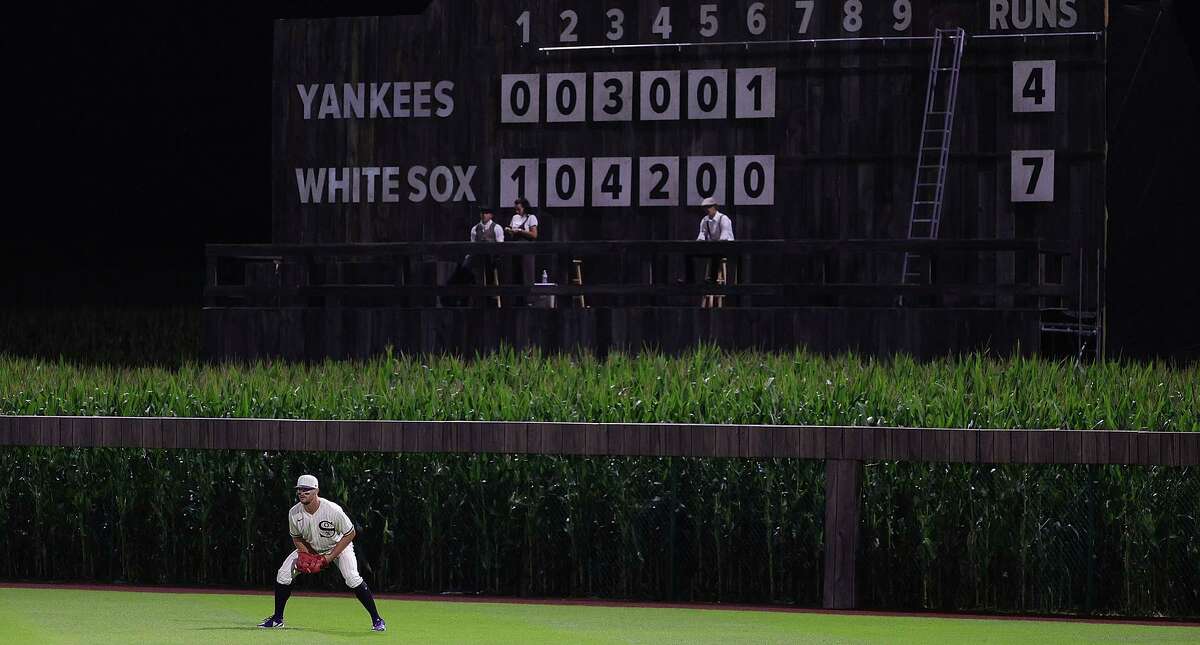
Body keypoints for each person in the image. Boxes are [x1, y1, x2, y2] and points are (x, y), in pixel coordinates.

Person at [258, 474, 386, 632]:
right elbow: (296, 537)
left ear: (316, 491)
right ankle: (277, 619)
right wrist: (305, 554)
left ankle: (377, 619)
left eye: (306, 490)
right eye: (299, 490)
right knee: (283, 575)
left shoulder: (332, 510)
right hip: (311, 547)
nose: (302, 493)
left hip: (338, 547)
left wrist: (329, 558)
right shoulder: (294, 513)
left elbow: (350, 533)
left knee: (352, 578)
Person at [504, 197, 538, 304]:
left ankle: (528, 300)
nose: (517, 211)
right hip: (515, 250)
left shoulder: (531, 217)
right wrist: (509, 230)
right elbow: (511, 230)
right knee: (516, 274)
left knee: (526, 275)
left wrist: (521, 231)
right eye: (515, 209)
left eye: (519, 209)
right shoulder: (515, 218)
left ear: (524, 207)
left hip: (526, 251)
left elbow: (534, 234)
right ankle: (517, 301)